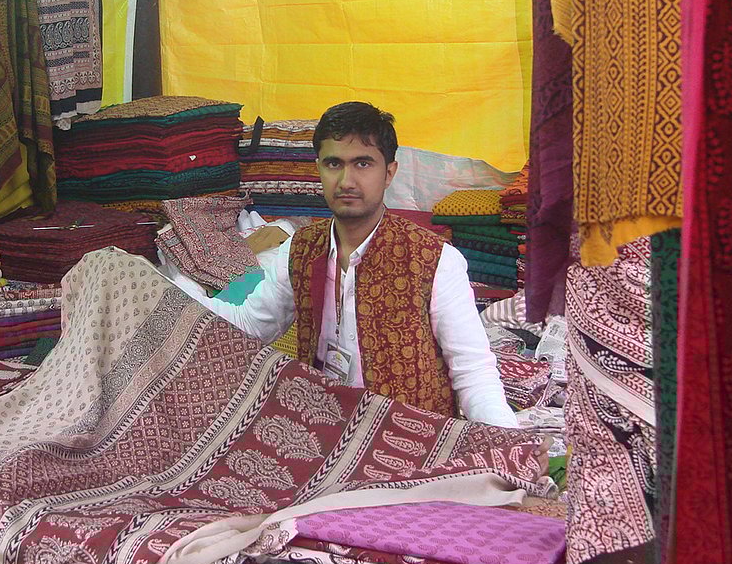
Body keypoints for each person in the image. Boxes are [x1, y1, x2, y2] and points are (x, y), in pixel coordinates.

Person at [177, 102, 518, 427]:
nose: (347, 181)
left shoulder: (433, 260)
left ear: (389, 173)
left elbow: (472, 370)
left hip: (411, 439)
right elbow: (251, 323)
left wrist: (507, 444)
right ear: (319, 169)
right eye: (334, 164)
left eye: (363, 164)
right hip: (328, 431)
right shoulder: (300, 249)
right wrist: (166, 293)